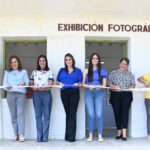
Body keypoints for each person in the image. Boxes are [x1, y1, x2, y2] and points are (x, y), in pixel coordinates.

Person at [56, 53, 82, 142]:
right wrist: (59, 83)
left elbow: (81, 83)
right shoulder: (61, 70)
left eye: (69, 59)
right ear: (65, 61)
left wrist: (77, 84)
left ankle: (71, 137)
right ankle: (67, 135)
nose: (68, 61)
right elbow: (57, 82)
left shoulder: (78, 71)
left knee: (72, 114)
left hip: (74, 92)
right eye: (66, 60)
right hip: (64, 92)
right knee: (68, 113)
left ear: (73, 60)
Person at [108, 57, 135, 141]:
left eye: (126, 64)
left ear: (127, 66)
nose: (124, 65)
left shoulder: (130, 74)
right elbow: (108, 83)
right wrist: (114, 86)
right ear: (119, 64)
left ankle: (124, 133)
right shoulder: (113, 73)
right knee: (117, 113)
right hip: (115, 95)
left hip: (126, 95)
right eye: (122, 63)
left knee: (125, 113)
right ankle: (119, 131)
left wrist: (131, 87)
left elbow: (133, 84)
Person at [3, 55, 29, 142]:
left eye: (15, 62)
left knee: (20, 113)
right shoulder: (7, 72)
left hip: (21, 94)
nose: (14, 63)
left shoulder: (23, 71)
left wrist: (23, 83)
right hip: (10, 94)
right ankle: (15, 134)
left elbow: (28, 82)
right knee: (13, 114)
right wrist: (8, 87)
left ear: (18, 62)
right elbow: (4, 84)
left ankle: (21, 134)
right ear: (10, 64)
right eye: (12, 62)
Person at [83, 53, 107, 142]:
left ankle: (100, 135)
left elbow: (104, 84)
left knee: (99, 114)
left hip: (99, 93)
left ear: (98, 60)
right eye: (93, 58)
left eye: (97, 58)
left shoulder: (102, 70)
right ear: (91, 60)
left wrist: (99, 86)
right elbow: (83, 84)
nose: (95, 59)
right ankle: (90, 135)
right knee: (91, 114)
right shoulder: (86, 70)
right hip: (89, 92)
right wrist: (88, 86)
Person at [30, 55, 54, 142]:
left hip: (46, 94)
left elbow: (51, 85)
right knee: (38, 115)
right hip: (36, 94)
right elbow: (31, 84)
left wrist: (44, 88)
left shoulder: (49, 72)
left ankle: (45, 137)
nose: (42, 62)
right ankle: (39, 137)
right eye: (40, 60)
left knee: (47, 115)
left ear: (46, 62)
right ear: (38, 62)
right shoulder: (34, 72)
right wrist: (36, 88)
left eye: (44, 60)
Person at [138, 74, 150, 139]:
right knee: (149, 115)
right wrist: (145, 82)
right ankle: (149, 133)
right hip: (148, 98)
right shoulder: (148, 75)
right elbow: (139, 79)